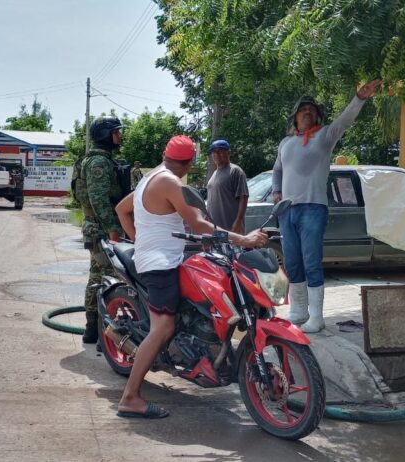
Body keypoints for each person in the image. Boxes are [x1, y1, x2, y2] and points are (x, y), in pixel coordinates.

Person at [113, 135, 268, 419]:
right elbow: (198, 223)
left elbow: (122, 210)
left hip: (162, 257)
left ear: (165, 154)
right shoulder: (170, 183)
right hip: (160, 264)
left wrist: (141, 240)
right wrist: (244, 240)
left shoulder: (151, 178)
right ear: (190, 162)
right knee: (163, 326)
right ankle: (130, 398)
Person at [272, 80, 382, 333]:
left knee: (312, 260)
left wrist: (359, 98)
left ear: (317, 116)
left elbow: (344, 120)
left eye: (312, 110)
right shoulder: (285, 143)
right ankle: (298, 311)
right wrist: (277, 191)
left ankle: (317, 316)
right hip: (287, 210)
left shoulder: (325, 136)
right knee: (292, 261)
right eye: (303, 110)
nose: (307, 112)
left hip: (313, 209)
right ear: (296, 116)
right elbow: (277, 169)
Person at [71, 116, 125, 344]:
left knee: (97, 276)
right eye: (116, 132)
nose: (120, 136)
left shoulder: (96, 160)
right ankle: (103, 331)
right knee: (112, 278)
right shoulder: (99, 163)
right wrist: (113, 229)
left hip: (96, 228)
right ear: (105, 135)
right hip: (102, 230)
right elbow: (99, 199)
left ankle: (93, 329)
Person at [204, 140, 248, 233]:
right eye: (214, 152)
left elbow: (243, 198)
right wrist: (207, 219)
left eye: (220, 151)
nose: (216, 154)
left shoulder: (235, 171)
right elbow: (211, 200)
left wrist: (238, 221)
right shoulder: (214, 174)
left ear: (228, 153)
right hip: (215, 229)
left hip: (231, 229)